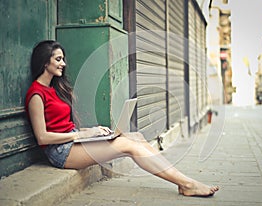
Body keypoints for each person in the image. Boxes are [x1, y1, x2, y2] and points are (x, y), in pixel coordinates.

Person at [25, 40, 219, 197]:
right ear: (44, 62)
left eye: (63, 59)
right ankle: (186, 184)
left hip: (72, 140)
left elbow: (64, 127)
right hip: (60, 152)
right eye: (58, 59)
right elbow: (43, 138)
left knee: (137, 137)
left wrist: (92, 131)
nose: (63, 64)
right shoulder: (36, 94)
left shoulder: (54, 89)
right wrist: (80, 136)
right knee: (129, 146)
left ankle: (182, 181)